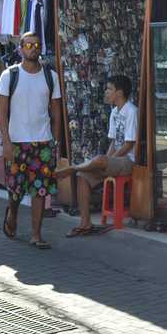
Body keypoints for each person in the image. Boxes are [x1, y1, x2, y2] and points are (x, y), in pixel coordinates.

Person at [0, 31, 62, 249]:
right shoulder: (10, 75)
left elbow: (56, 112)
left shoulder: (50, 77)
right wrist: (5, 142)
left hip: (43, 142)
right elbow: (1, 112)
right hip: (16, 142)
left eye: (36, 44)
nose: (33, 48)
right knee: (15, 189)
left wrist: (56, 141)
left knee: (40, 190)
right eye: (28, 44)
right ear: (20, 48)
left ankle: (36, 234)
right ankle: (12, 213)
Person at [57, 75, 138, 237]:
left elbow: (129, 144)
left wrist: (108, 160)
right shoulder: (114, 112)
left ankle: (72, 168)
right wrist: (106, 160)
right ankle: (85, 223)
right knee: (82, 176)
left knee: (100, 160)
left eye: (109, 89)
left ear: (120, 93)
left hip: (128, 161)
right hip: (115, 160)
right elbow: (114, 142)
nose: (106, 92)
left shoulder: (132, 111)